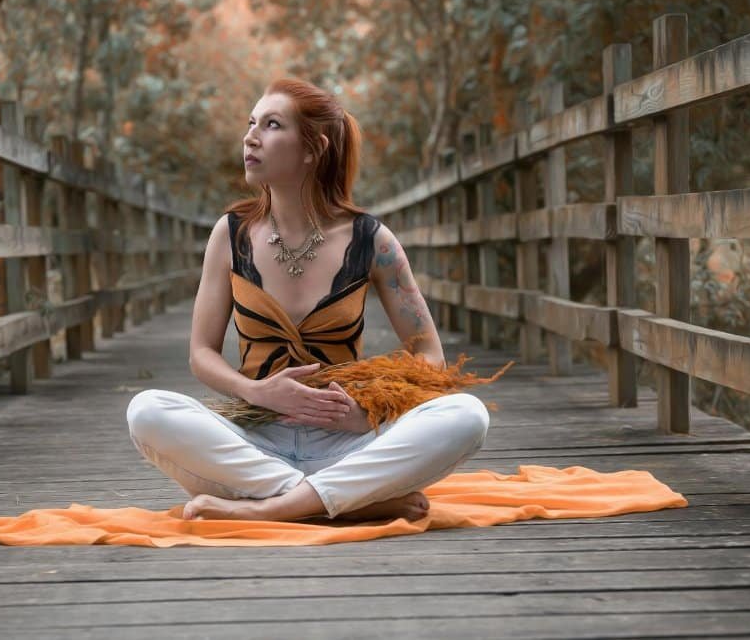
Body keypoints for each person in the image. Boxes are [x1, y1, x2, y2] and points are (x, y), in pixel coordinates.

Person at [126, 78, 489, 522]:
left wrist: (365, 411)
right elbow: (201, 354)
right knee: (146, 411)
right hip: (255, 441)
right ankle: (342, 501)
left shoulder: (372, 240)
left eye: (272, 124)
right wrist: (257, 392)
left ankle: (271, 507)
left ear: (313, 149)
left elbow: (429, 355)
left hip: (349, 444)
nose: (250, 136)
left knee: (467, 414)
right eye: (251, 122)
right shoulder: (231, 233)